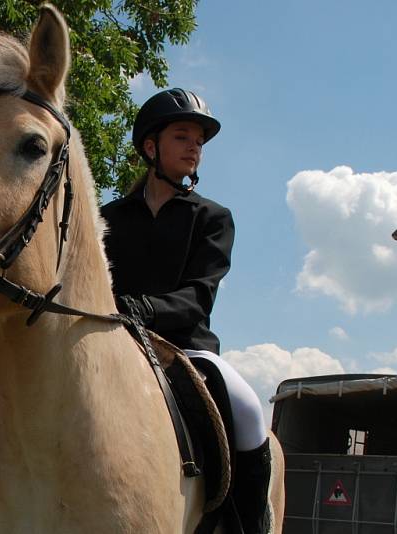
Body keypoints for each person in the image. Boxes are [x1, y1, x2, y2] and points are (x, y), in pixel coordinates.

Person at [101, 88, 271, 533]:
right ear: (151, 147)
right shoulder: (109, 218)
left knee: (250, 411)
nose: (195, 146)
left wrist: (142, 308)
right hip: (113, 340)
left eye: (198, 139)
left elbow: (200, 296)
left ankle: (244, 523)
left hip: (187, 349)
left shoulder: (212, 217)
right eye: (182, 136)